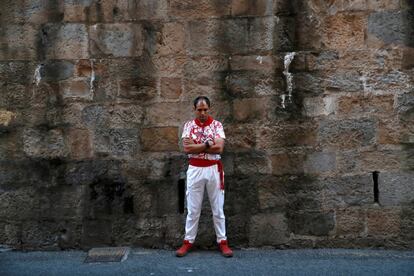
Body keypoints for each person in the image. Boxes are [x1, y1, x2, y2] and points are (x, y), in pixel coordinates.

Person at [176, 96, 233, 258]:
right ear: (194, 109)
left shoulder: (217, 126)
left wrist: (198, 146)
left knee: (218, 209)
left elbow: (219, 148)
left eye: (205, 109)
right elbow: (187, 149)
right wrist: (208, 144)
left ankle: (223, 242)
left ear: (209, 109)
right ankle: (188, 241)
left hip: (214, 170)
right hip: (195, 169)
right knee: (193, 209)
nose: (202, 112)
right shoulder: (189, 126)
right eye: (199, 109)